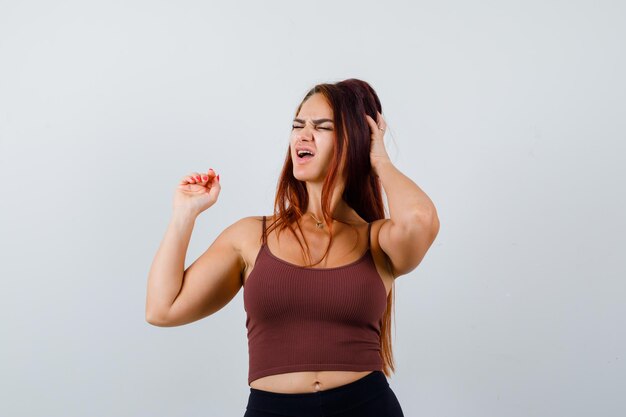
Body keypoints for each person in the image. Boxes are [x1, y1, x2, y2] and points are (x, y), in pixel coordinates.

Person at [145, 78, 440, 416]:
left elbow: (420, 219)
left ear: (353, 142)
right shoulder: (251, 236)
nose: (302, 135)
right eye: (298, 125)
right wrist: (184, 214)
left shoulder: (378, 241)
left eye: (321, 127)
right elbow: (161, 309)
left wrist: (380, 160)